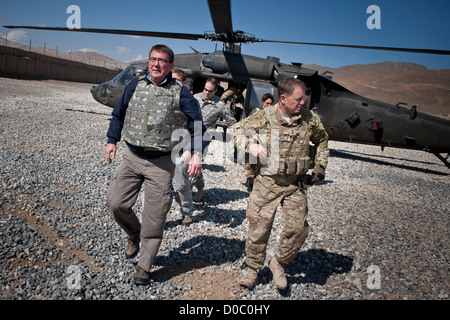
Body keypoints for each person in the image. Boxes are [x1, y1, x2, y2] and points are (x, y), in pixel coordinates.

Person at [105, 44, 207, 286]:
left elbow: (198, 125)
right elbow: (118, 114)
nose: (156, 64)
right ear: (148, 61)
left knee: (155, 216)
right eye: (153, 59)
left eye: (162, 60)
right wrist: (112, 140)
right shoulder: (134, 85)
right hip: (132, 157)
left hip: (161, 163)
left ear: (170, 66)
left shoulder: (181, 93)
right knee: (116, 203)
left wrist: (196, 154)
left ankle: (144, 265)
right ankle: (134, 234)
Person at [232, 78, 329, 290]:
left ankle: (278, 263)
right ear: (283, 99)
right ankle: (253, 268)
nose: (303, 102)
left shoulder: (309, 119)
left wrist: (320, 166)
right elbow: (236, 132)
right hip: (267, 182)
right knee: (259, 228)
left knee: (298, 230)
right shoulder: (264, 116)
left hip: (295, 185)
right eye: (298, 99)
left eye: (304, 98)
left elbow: (322, 140)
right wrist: (251, 146)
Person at [186, 77, 237, 203]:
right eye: (205, 89)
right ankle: (200, 188)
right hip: (190, 135)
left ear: (216, 91)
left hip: (204, 138)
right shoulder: (194, 98)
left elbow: (233, 122)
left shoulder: (220, 105)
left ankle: (185, 195)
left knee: (193, 164)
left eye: (210, 91)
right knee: (188, 163)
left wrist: (234, 137)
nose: (206, 93)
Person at [244, 93, 275, 191]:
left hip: (265, 139)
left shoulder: (272, 114)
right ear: (263, 102)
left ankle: (255, 180)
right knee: (251, 161)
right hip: (255, 138)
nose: (269, 106)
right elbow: (248, 124)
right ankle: (250, 179)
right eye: (267, 103)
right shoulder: (256, 112)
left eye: (271, 104)